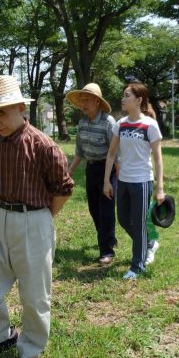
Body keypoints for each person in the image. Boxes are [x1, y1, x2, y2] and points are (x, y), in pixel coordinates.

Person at [0, 75, 74, 358]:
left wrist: (41, 219)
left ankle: (30, 352)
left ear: (21, 107)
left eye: (1, 112)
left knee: (35, 296)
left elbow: (63, 188)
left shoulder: (42, 145)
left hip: (34, 220)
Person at [103, 82, 165, 280]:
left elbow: (158, 158)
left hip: (142, 181)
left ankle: (137, 266)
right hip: (123, 181)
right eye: (123, 95)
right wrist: (107, 180)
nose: (123, 98)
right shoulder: (120, 124)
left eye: (127, 95)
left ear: (138, 100)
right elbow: (111, 154)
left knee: (139, 223)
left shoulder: (150, 125)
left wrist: (160, 186)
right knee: (123, 219)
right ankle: (149, 243)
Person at [65, 83, 118, 265]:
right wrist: (69, 172)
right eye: (81, 100)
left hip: (108, 170)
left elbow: (115, 154)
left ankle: (107, 250)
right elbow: (80, 152)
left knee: (106, 212)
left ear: (96, 101)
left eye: (87, 100)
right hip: (91, 169)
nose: (83, 104)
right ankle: (108, 239)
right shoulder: (82, 123)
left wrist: (109, 180)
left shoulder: (108, 123)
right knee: (94, 209)